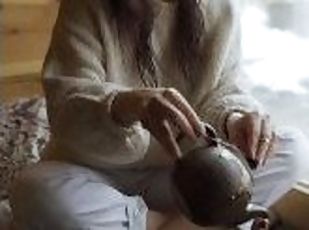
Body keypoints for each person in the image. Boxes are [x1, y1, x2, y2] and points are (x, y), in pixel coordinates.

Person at [8, 0, 308, 229]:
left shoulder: (218, 7)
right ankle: (183, 224)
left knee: (292, 149)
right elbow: (66, 107)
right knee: (34, 189)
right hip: (97, 174)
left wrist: (236, 119)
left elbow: (224, 87)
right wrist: (123, 106)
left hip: (185, 178)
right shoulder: (85, 7)